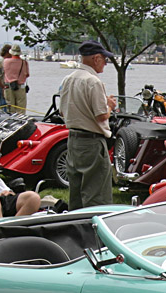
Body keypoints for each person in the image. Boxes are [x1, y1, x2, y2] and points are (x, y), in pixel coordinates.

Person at [59, 40, 119, 210]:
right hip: (92, 141)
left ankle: (74, 228)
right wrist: (110, 106)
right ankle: (93, 231)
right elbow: (101, 115)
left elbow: (63, 111)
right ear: (96, 58)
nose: (105, 64)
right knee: (96, 194)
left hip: (73, 140)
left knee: (76, 193)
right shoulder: (94, 82)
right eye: (104, 60)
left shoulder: (68, 79)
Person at [3, 45, 30, 114]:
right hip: (20, 86)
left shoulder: (5, 61)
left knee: (10, 109)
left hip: (8, 87)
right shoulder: (24, 62)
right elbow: (27, 75)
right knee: (21, 109)